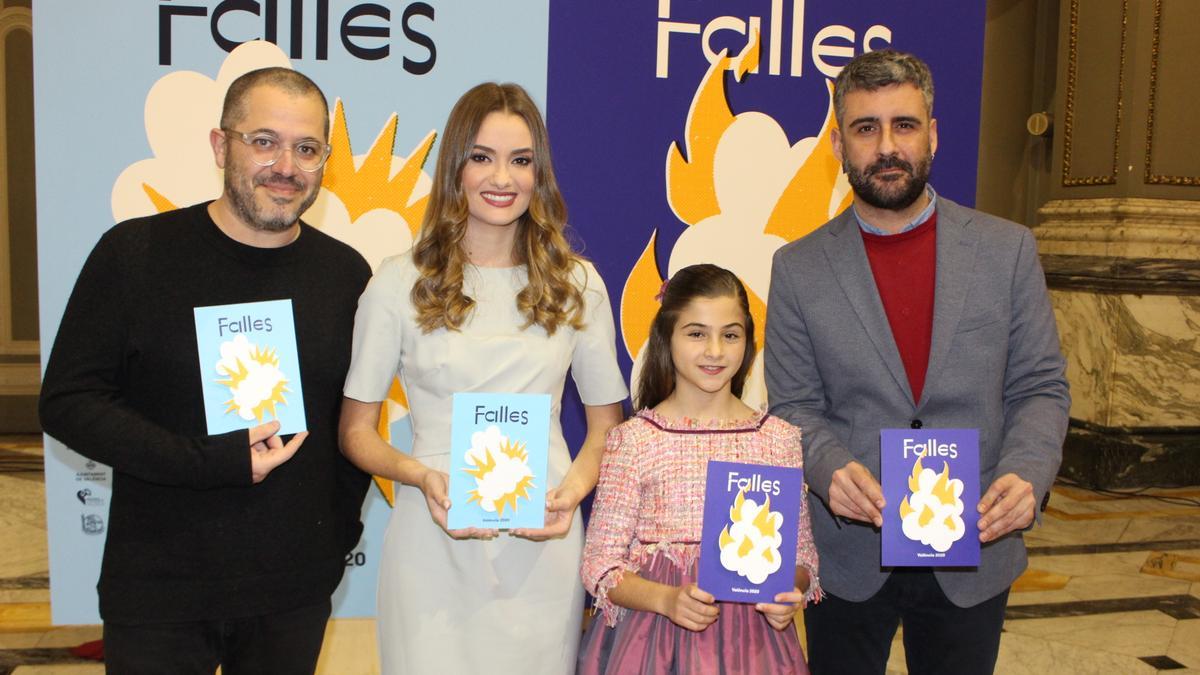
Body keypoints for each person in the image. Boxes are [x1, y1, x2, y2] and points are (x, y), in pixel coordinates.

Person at [38, 67, 371, 673]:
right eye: (263, 141)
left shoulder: (346, 275)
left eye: (307, 148)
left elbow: (353, 420)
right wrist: (206, 460)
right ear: (222, 145)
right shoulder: (134, 254)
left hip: (291, 593)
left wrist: (332, 541)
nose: (286, 166)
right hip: (160, 590)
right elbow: (68, 400)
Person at [764, 49, 1070, 674]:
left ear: (931, 133)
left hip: (975, 546)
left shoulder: (1006, 250)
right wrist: (827, 467)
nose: (886, 147)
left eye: (903, 125)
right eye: (864, 128)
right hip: (850, 553)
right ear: (839, 144)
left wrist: (1028, 472)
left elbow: (1040, 386)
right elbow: (795, 405)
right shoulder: (797, 269)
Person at [337, 82, 627, 674]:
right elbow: (357, 433)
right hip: (432, 542)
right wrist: (420, 476)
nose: (503, 178)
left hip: (541, 540)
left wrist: (571, 492)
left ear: (539, 173)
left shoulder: (579, 284)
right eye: (482, 157)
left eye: (521, 160)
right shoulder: (397, 282)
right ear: (455, 168)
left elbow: (606, 431)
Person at [577, 264, 820, 675]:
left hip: (754, 650)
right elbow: (599, 565)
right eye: (696, 333)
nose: (715, 351)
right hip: (651, 647)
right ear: (665, 338)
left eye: (730, 334)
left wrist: (790, 593)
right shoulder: (635, 439)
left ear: (748, 340)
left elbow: (803, 557)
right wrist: (665, 599)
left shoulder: (778, 440)